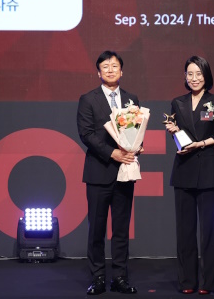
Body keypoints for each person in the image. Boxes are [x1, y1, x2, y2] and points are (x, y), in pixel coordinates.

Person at [165, 55, 214, 295]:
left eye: (198, 74)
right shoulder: (177, 102)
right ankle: (187, 282)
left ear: (206, 76)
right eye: (190, 74)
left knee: (208, 231)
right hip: (184, 169)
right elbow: (179, 136)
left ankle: (208, 283)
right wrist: (173, 131)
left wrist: (201, 143)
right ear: (185, 76)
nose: (194, 78)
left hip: (208, 170)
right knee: (185, 231)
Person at [77, 50, 139, 295]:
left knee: (121, 230)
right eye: (105, 66)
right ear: (98, 73)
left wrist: (137, 146)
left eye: (114, 66)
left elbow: (135, 132)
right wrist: (112, 153)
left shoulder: (131, 99)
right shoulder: (88, 99)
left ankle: (120, 278)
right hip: (98, 171)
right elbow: (86, 134)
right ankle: (98, 278)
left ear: (122, 71)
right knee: (97, 229)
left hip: (125, 172)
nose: (110, 70)